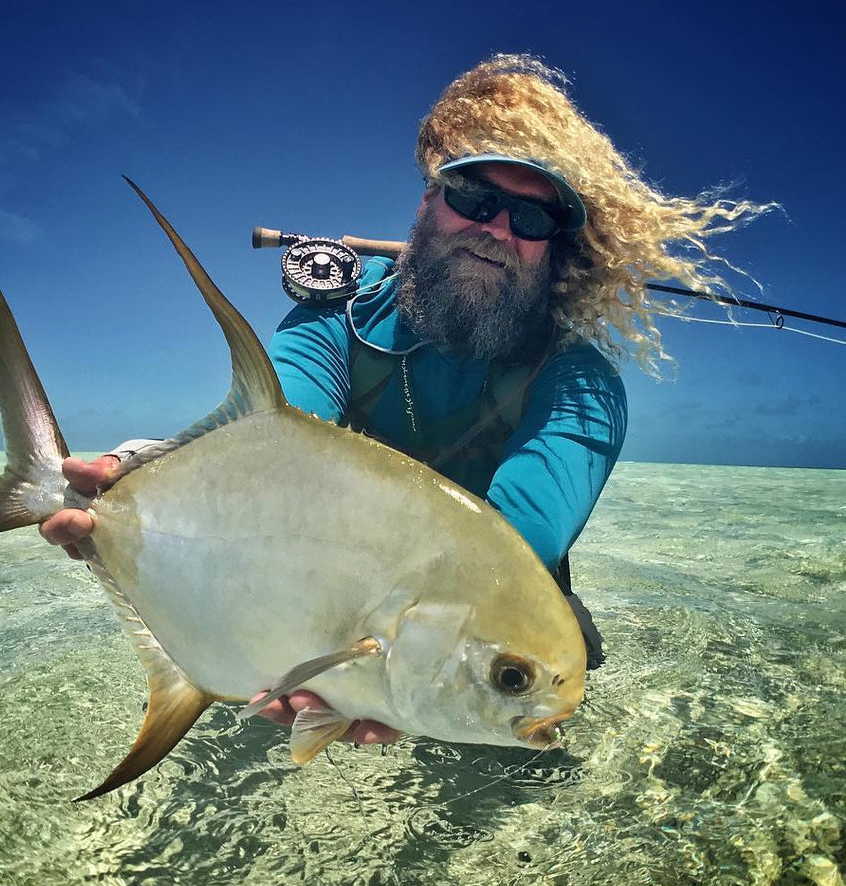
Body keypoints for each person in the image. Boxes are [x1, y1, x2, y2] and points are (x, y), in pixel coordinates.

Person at [40, 54, 768, 746]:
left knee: (544, 706)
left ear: (556, 251)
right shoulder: (335, 322)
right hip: (323, 580)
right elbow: (271, 445)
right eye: (473, 198)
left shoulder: (580, 388)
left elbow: (512, 552)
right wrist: (139, 472)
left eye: (533, 219)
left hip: (492, 622)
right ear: (429, 202)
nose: (497, 229)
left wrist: (397, 672)